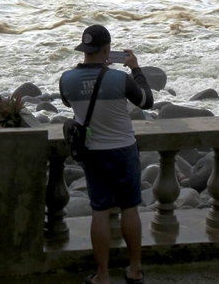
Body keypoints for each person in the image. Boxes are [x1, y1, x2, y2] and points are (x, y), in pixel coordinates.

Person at [59, 24, 153, 284]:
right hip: (123, 150)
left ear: (84, 49)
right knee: (129, 209)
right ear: (107, 50)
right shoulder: (120, 79)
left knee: (99, 212)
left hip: (93, 152)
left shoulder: (66, 79)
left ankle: (102, 275)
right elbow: (147, 101)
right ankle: (134, 270)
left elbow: (69, 103)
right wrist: (135, 68)